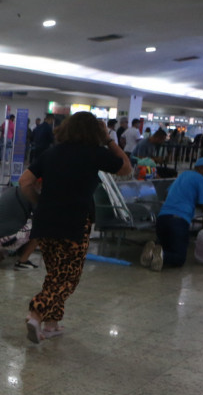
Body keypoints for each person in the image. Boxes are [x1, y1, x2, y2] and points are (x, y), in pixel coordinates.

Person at [17, 111, 131, 343]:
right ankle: (36, 312)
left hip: (45, 222)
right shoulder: (96, 153)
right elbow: (125, 168)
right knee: (68, 278)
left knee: (55, 274)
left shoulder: (51, 153)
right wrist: (108, 139)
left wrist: (39, 203)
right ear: (94, 132)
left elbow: (24, 182)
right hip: (74, 223)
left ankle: (51, 324)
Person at [140, 157, 203, 272]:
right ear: (200, 168)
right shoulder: (201, 179)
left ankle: (153, 252)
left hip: (162, 218)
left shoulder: (183, 176)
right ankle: (162, 254)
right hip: (179, 221)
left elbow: (167, 193)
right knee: (179, 258)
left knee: (167, 247)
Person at [0, 184, 38, 269]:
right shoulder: (32, 194)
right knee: (42, 228)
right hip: (8, 240)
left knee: (16, 226)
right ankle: (23, 261)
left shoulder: (10, 190)